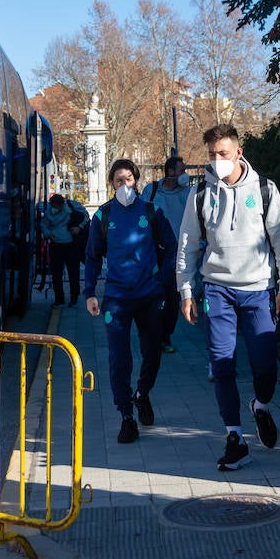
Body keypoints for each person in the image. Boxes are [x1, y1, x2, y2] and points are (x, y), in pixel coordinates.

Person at [178, 124, 280, 471]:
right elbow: (187, 243)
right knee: (222, 364)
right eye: (212, 155)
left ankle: (260, 405)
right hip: (216, 288)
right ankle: (235, 438)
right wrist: (186, 290)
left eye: (224, 154)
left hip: (258, 289)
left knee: (265, 362)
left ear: (238, 152)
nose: (217, 161)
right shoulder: (200, 194)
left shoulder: (263, 190)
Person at [83, 158, 177, 443]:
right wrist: (89, 293)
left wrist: (162, 278)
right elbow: (91, 256)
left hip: (150, 297)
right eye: (118, 181)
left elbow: (171, 245)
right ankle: (126, 415)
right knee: (118, 358)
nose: (124, 185)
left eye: (128, 179)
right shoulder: (103, 216)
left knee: (152, 353)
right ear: (111, 183)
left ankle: (142, 393)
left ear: (137, 180)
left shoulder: (152, 211)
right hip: (117, 299)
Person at [143, 156, 191, 352]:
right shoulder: (152, 191)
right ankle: (151, 335)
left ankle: (165, 336)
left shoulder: (188, 193)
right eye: (182, 170)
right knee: (152, 295)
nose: (185, 174)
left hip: (176, 253)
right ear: (171, 172)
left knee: (171, 298)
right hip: (154, 251)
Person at [41, 193, 81, 306]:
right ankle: (59, 299)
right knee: (56, 274)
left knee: (73, 272)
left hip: (70, 245)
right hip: (56, 245)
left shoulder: (71, 207)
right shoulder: (48, 212)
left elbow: (85, 217)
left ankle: (74, 298)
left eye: (55, 206)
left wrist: (79, 227)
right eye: (52, 206)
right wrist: (48, 234)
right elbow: (43, 225)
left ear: (61, 205)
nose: (53, 209)